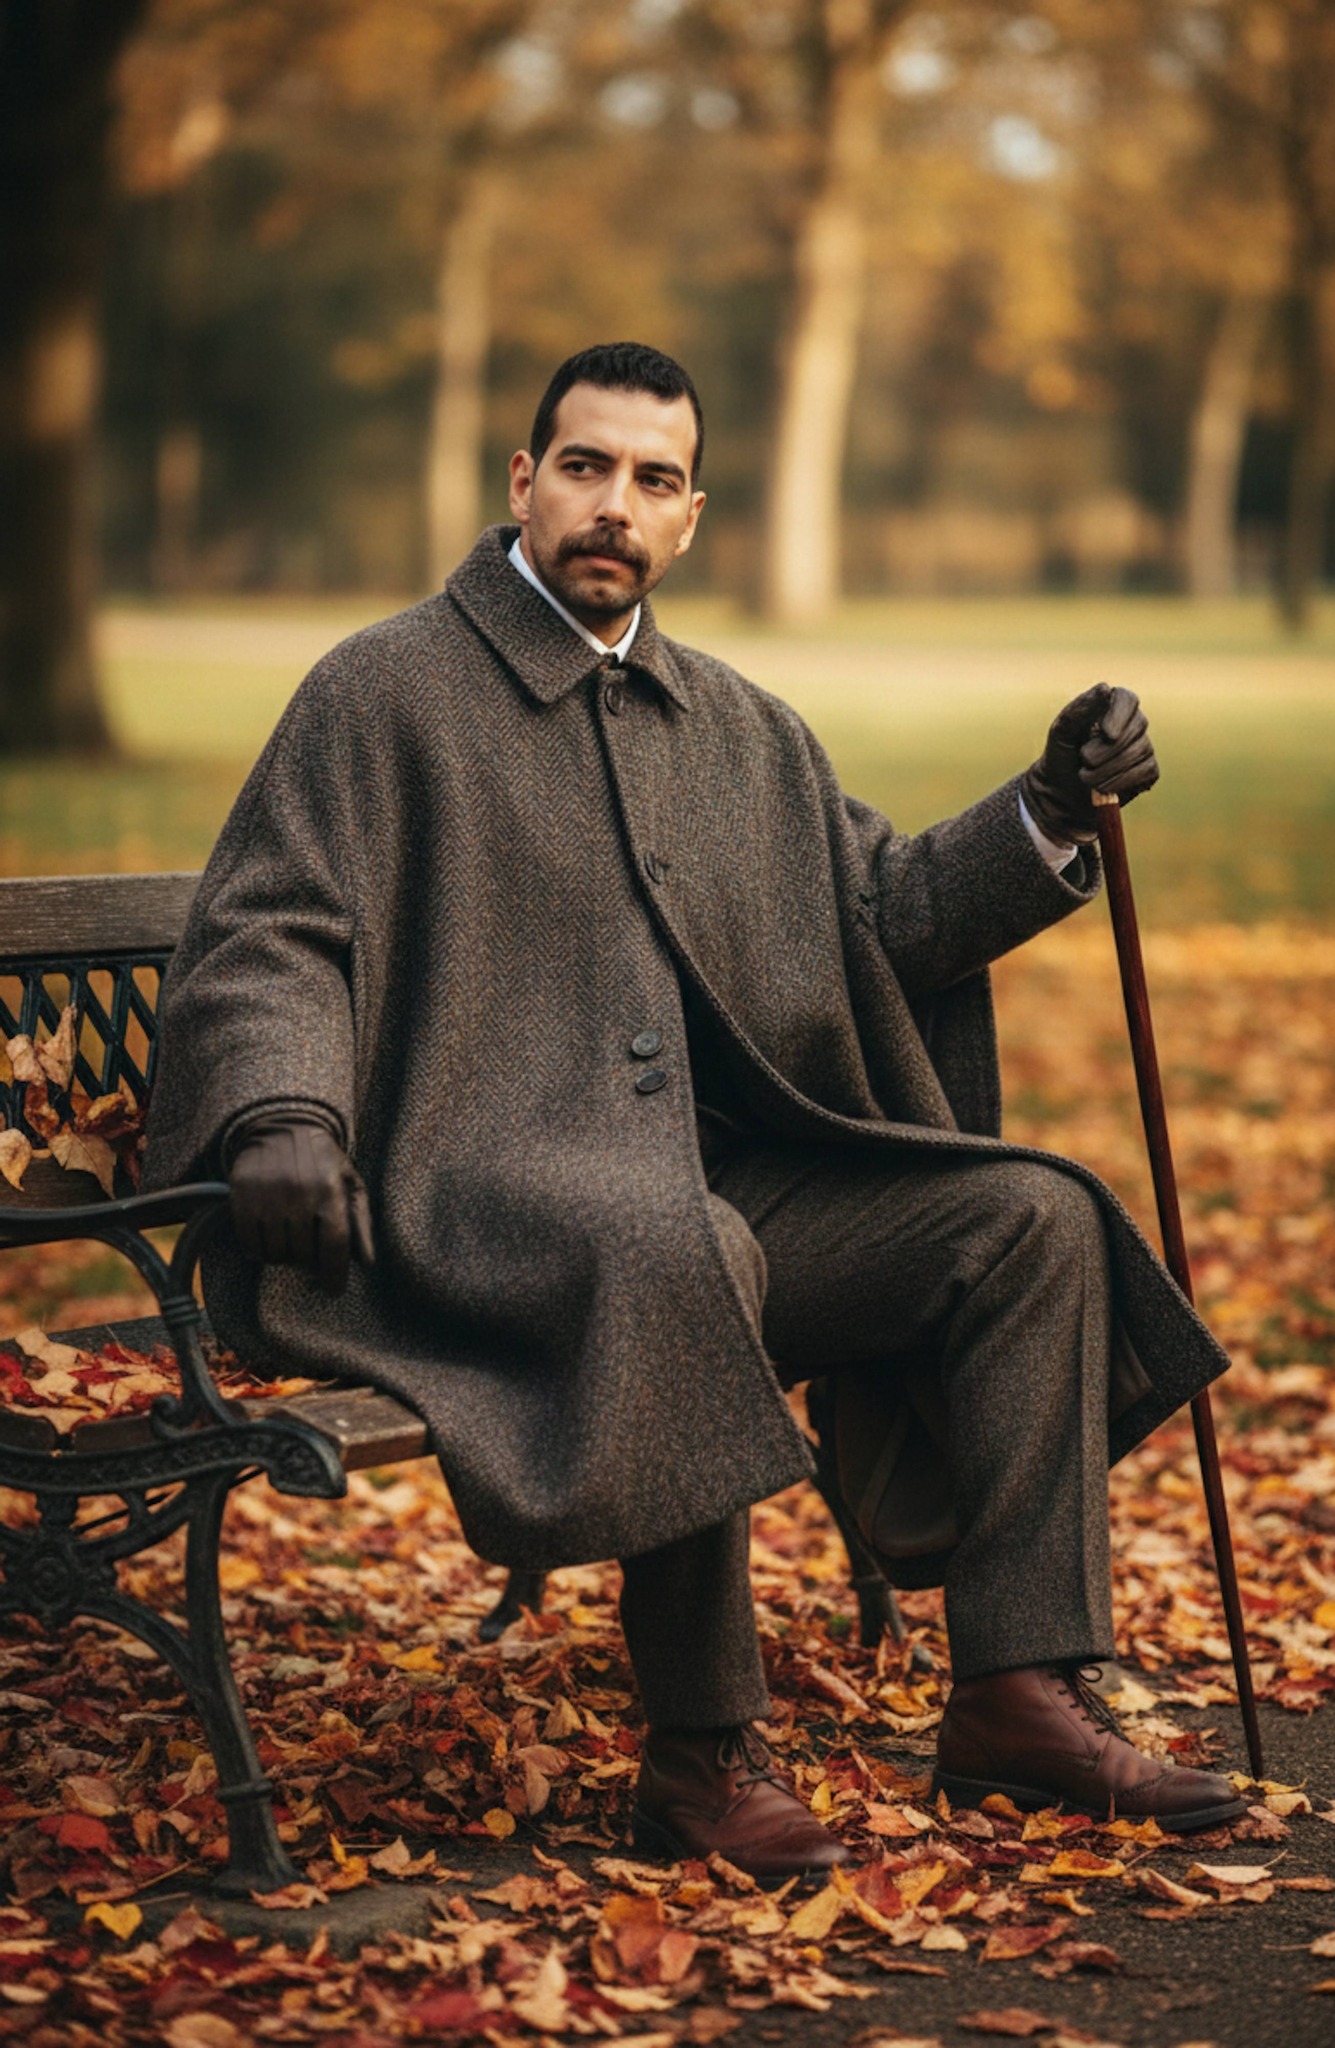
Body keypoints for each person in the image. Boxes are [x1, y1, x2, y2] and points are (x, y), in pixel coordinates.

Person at [146, 342, 1246, 1881]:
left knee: (1031, 1219)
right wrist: (278, 1113)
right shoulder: (381, 692)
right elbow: (272, 928)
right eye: (585, 468)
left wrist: (1049, 810)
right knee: (683, 1247)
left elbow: (889, 912)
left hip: (707, 1198)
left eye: (652, 481)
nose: (615, 506)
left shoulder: (736, 726)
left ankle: (1016, 1689)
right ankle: (699, 1755)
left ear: (691, 517)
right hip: (475, 1202)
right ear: (522, 482)